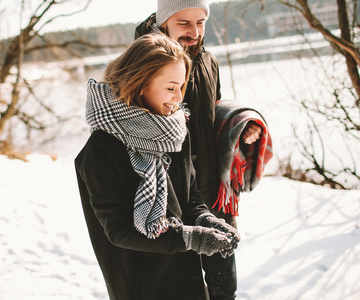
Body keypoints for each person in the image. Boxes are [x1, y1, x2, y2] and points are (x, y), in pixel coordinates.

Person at [75, 33, 240, 300]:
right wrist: (190, 238)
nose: (178, 98)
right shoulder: (102, 147)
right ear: (141, 83)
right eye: (170, 87)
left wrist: (205, 219)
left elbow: (189, 194)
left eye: (182, 87)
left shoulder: (173, 130)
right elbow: (119, 231)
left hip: (187, 279)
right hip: (141, 286)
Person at [135, 1, 263, 299]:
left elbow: (212, 115)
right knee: (180, 286)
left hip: (212, 189)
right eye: (184, 23)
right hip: (170, 195)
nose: (194, 32)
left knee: (224, 285)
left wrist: (239, 127)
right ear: (163, 20)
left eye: (201, 22)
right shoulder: (144, 60)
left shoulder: (208, 61)